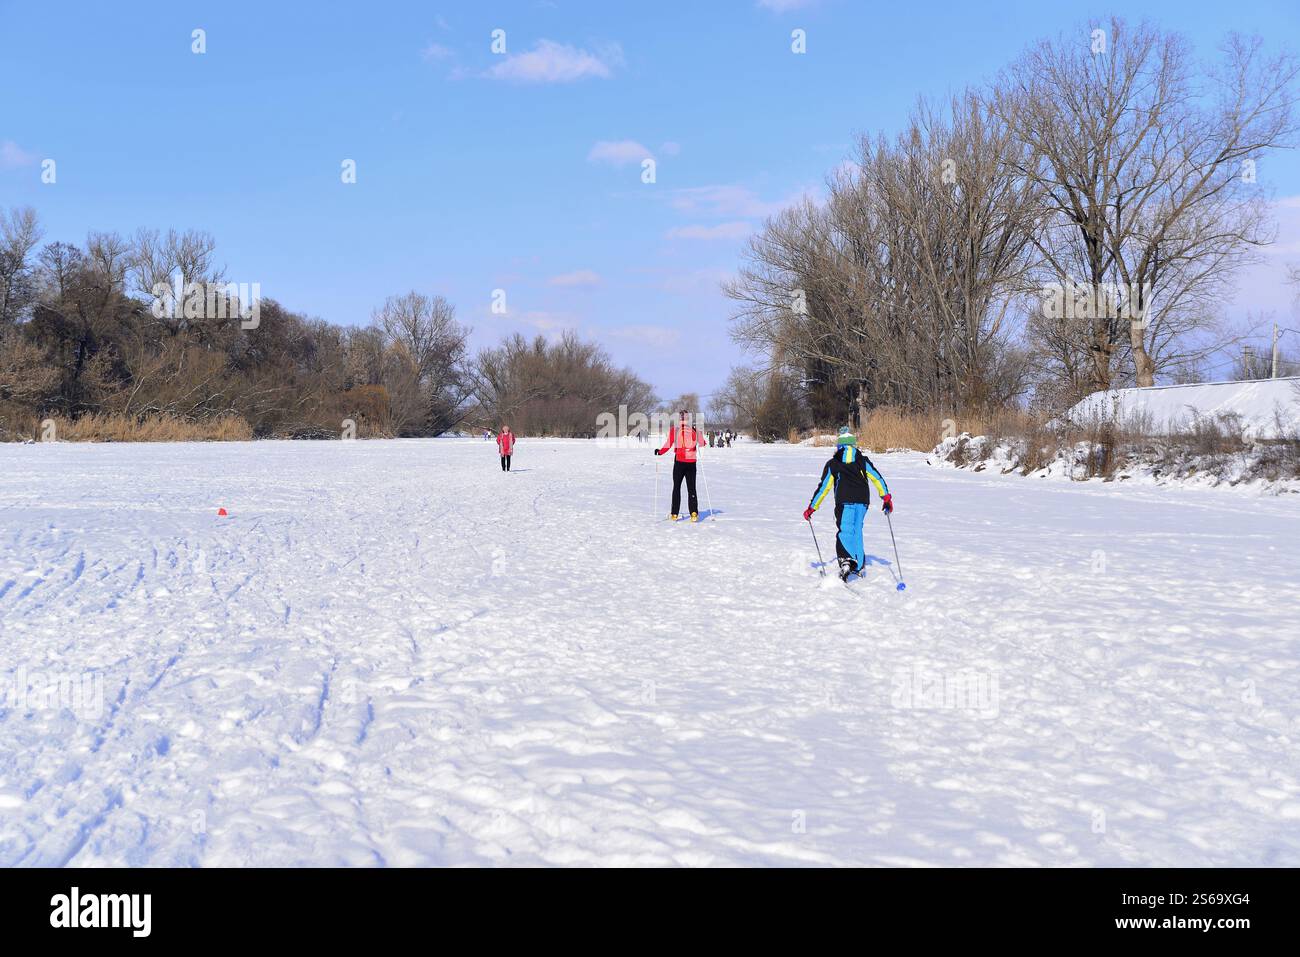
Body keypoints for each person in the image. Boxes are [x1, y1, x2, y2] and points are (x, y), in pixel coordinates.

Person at [803, 426, 893, 581]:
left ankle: (847, 561)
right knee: (856, 531)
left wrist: (812, 507)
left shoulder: (833, 463)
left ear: (840, 446)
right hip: (862, 502)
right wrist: (886, 498)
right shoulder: (863, 461)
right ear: (854, 445)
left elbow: (824, 487)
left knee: (845, 531)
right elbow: (877, 478)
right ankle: (858, 565)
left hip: (844, 502)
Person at [654, 409, 705, 521]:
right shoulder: (694, 430)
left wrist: (660, 452)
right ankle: (694, 514)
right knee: (692, 489)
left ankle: (674, 514)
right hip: (692, 463)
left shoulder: (675, 430)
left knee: (676, 487)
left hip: (679, 462)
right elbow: (703, 443)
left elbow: (668, 444)